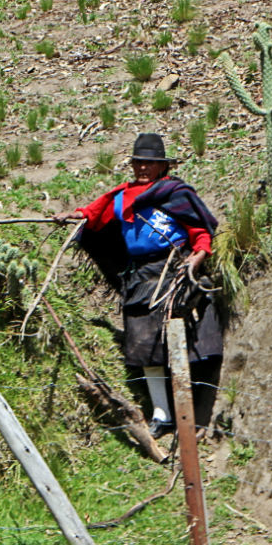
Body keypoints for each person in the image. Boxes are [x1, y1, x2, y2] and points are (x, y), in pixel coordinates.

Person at [54, 133, 223, 437]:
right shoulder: (121, 197)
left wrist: (196, 260)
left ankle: (197, 410)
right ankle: (162, 413)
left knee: (188, 336)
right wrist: (74, 216)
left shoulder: (177, 194)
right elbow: (94, 216)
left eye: (150, 163)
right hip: (142, 276)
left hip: (175, 267)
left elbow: (200, 232)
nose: (143, 167)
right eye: (138, 162)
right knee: (144, 342)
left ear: (163, 166)